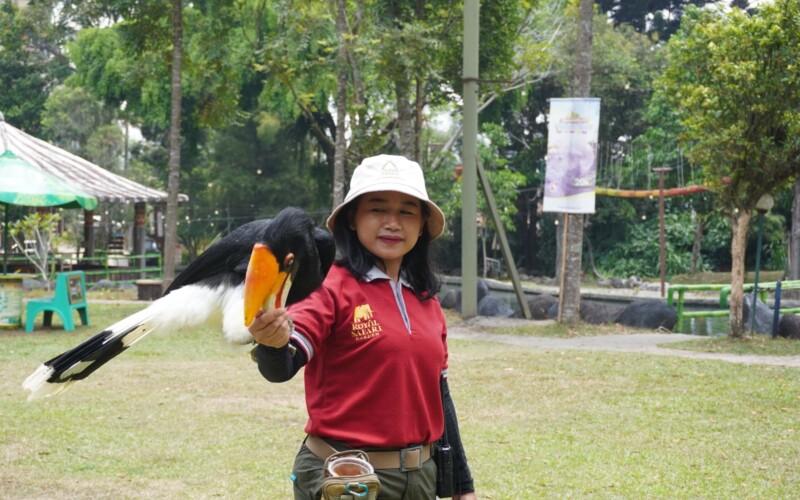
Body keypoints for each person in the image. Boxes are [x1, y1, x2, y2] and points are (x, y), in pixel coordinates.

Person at [248, 154, 477, 499]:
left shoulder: (426, 299)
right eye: (377, 209)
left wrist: (463, 486)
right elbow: (282, 366)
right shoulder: (328, 285)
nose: (392, 223)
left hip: (421, 481)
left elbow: (439, 396)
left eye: (406, 211)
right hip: (347, 480)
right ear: (353, 219)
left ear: (421, 224)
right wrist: (272, 344)